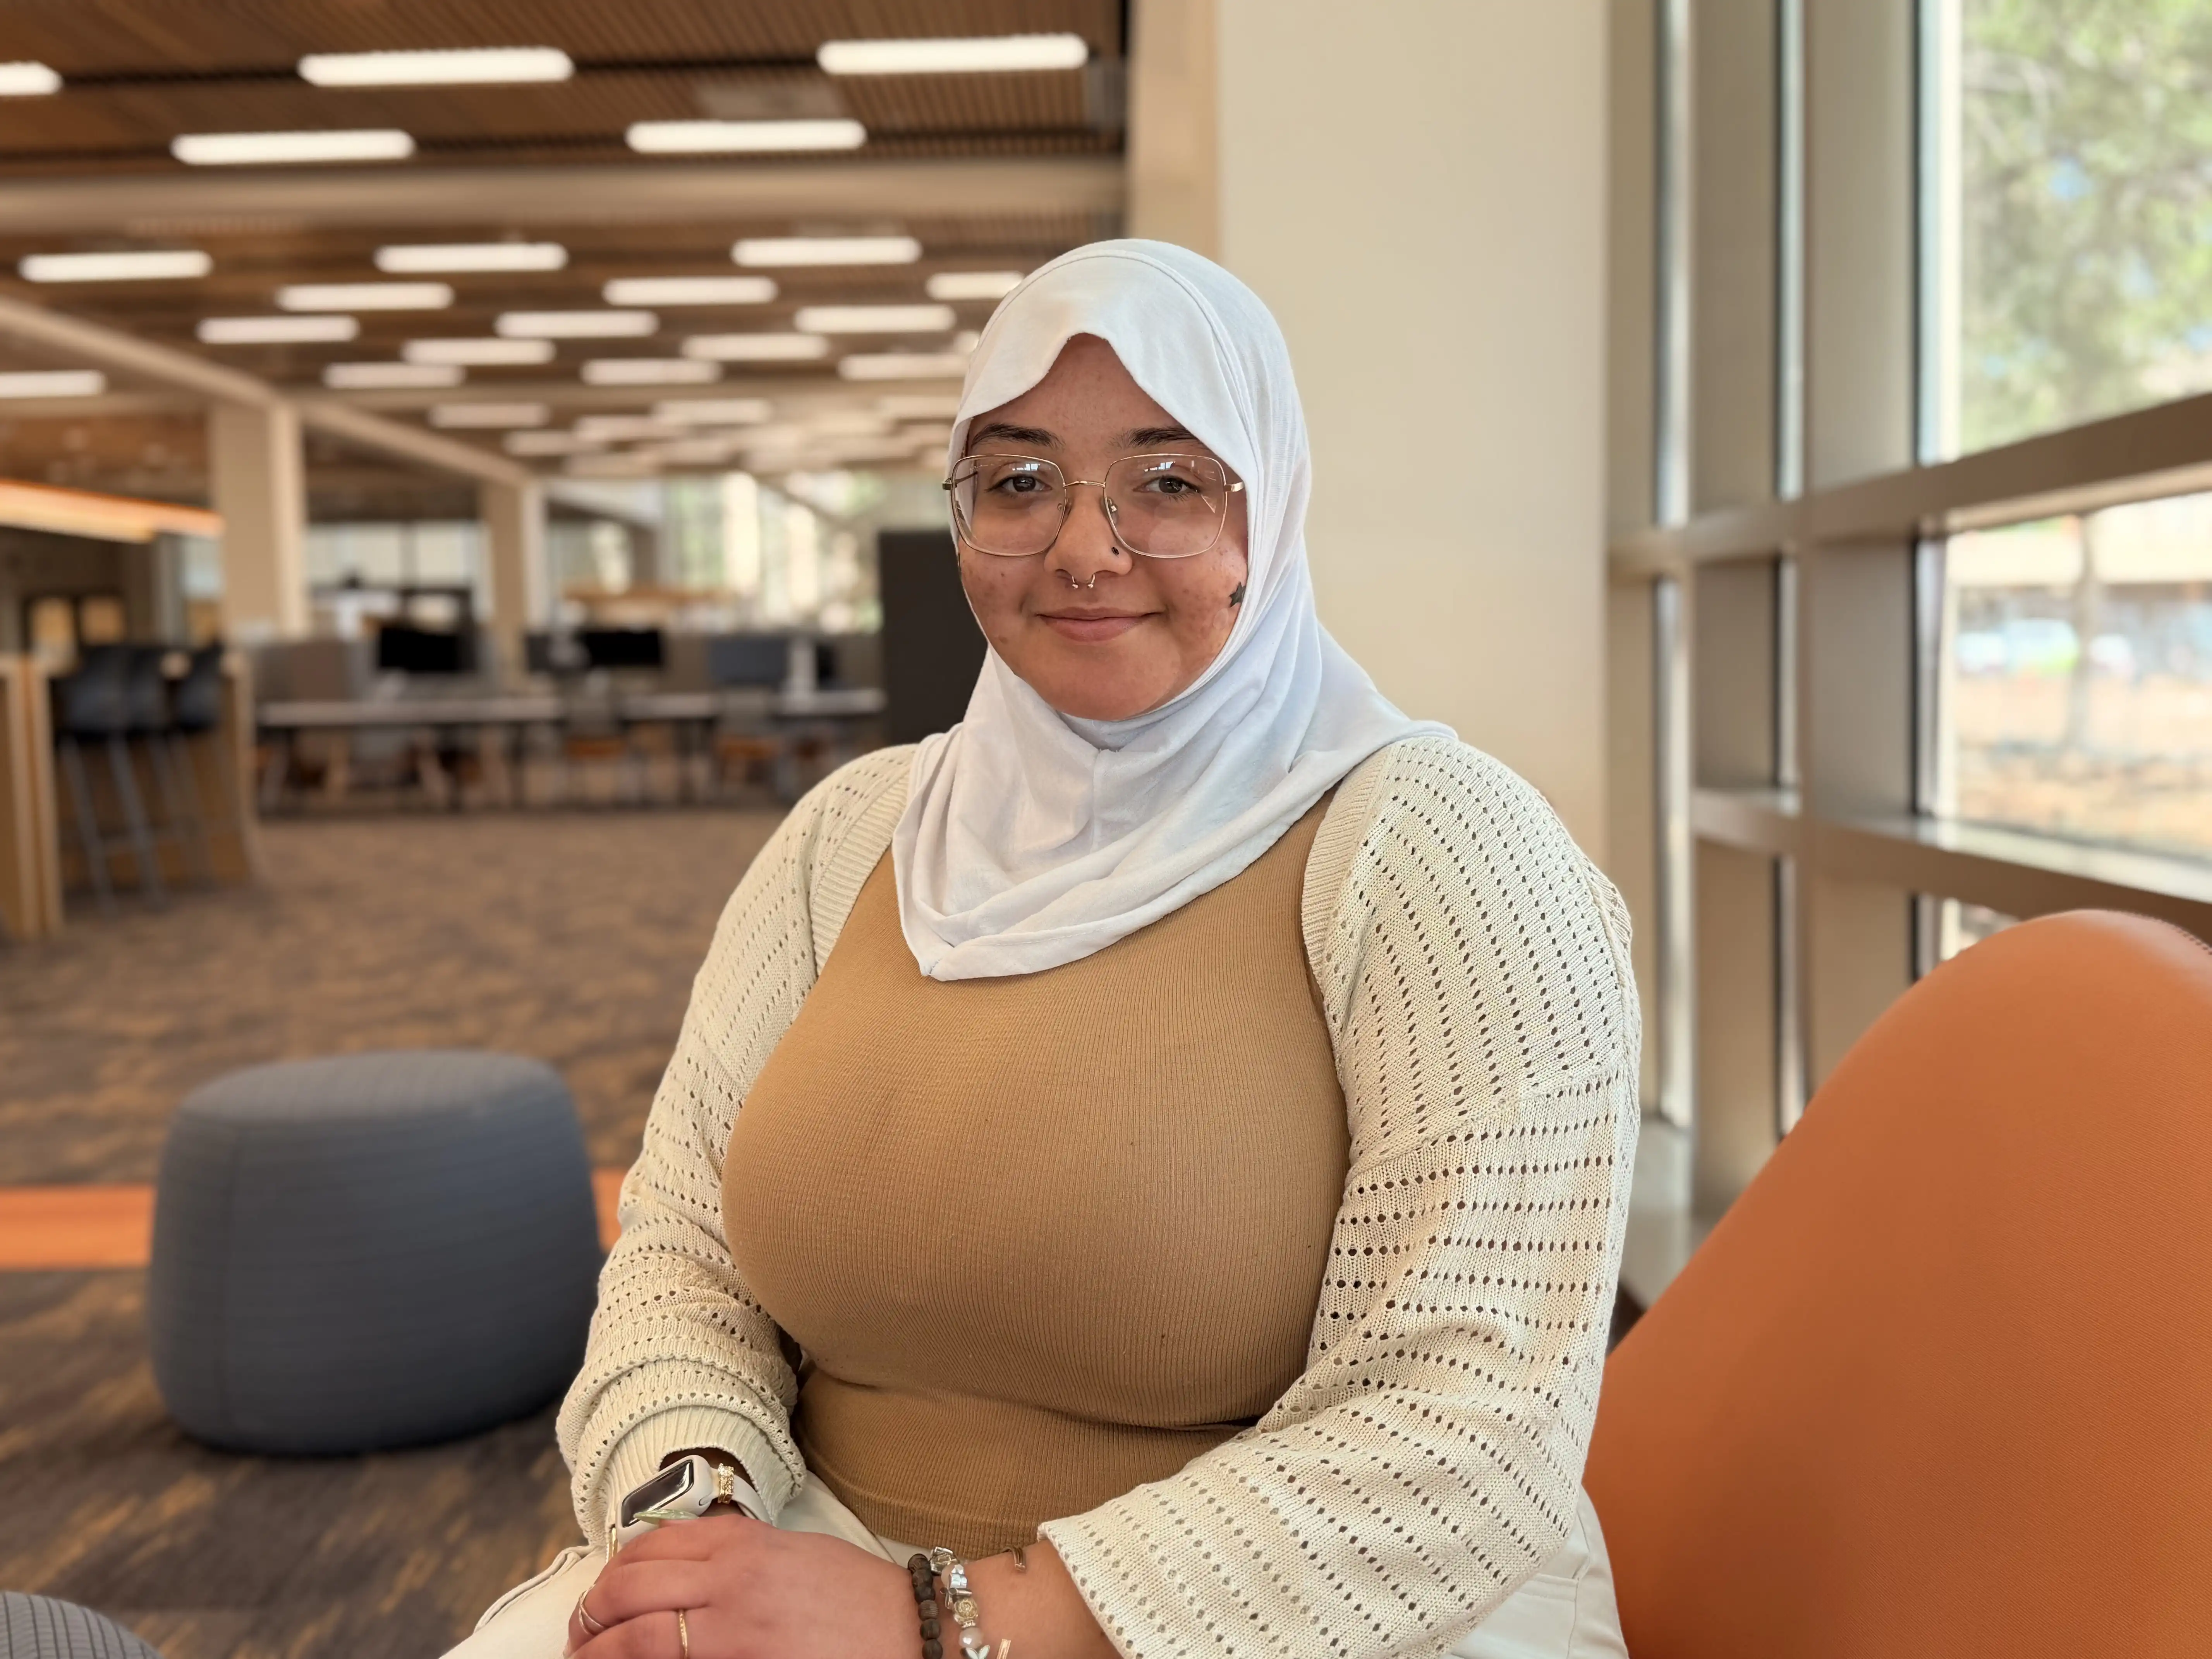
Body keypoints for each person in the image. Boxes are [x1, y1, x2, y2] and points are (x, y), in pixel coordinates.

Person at [449, 241, 1640, 1659]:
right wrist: (699, 1531)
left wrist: (943, 1620)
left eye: (1170, 481)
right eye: (1018, 481)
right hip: (813, 1567)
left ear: (1269, 514)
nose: (1086, 546)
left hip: (1278, 1618)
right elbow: (687, 1253)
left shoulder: (1439, 848)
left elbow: (1473, 1412)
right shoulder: (851, 835)